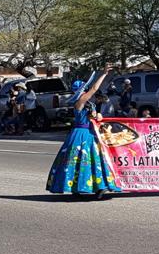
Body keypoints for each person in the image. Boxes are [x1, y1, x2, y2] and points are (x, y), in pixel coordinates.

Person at [46, 65, 120, 197]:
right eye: (84, 89)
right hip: (81, 134)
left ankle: (99, 186)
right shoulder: (79, 102)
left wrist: (98, 116)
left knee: (95, 160)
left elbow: (95, 116)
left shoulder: (88, 104)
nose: (87, 91)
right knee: (81, 161)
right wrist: (103, 74)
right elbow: (95, 88)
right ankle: (79, 187)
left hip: (91, 133)